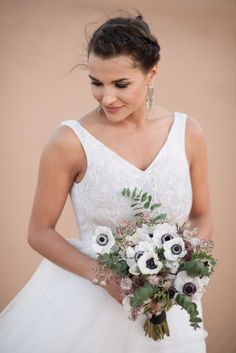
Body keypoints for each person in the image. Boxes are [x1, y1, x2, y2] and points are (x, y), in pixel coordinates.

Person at [0, 13, 213, 353]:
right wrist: (108, 279)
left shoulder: (188, 133)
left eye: (120, 84)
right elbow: (39, 231)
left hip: (170, 306)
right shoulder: (69, 141)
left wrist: (181, 267)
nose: (106, 98)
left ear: (152, 72)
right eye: (96, 82)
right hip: (88, 306)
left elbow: (202, 215)